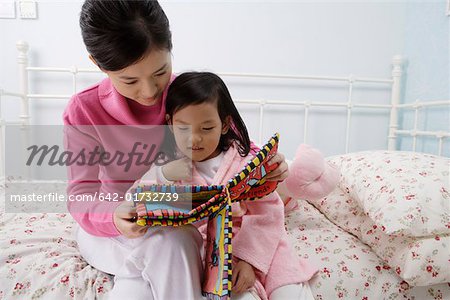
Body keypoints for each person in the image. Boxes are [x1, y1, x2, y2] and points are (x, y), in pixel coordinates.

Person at [63, 1, 289, 299]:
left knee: (178, 240)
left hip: (178, 222)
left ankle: (141, 280)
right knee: (174, 241)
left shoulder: (183, 93)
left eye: (160, 71)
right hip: (113, 230)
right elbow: (81, 196)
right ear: (97, 64)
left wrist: (267, 165)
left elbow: (235, 145)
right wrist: (114, 216)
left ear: (170, 46)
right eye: (129, 80)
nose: (149, 91)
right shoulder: (83, 110)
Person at [132, 72, 317, 300]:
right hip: (214, 254)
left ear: (225, 124)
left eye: (206, 128)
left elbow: (267, 212)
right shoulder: (168, 164)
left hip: (256, 244)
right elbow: (141, 200)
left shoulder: (245, 160)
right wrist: (163, 175)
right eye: (183, 129)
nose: (194, 139)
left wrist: (249, 261)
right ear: (170, 123)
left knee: (289, 289)